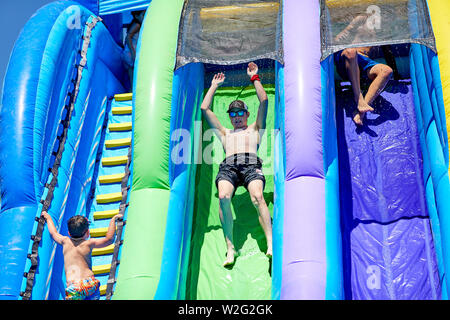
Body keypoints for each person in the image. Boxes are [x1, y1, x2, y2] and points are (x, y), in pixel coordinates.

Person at [200, 62, 272, 267]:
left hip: (250, 164)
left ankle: (270, 243)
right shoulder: (225, 133)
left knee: (257, 196)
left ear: (247, 115)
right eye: (233, 114)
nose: (237, 117)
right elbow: (205, 108)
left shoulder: (255, 128)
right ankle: (230, 247)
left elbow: (264, 100)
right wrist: (214, 86)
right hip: (229, 167)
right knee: (223, 196)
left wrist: (255, 77)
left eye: (240, 113)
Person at [41, 211, 122, 300]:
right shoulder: (89, 243)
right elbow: (109, 240)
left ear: (69, 233)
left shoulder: (65, 241)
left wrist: (48, 217)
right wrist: (113, 220)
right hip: (89, 283)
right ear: (87, 232)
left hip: (74, 287)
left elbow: (53, 233)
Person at [334, 12, 394, 126]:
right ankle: (359, 98)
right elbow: (342, 35)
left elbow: (388, 50)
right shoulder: (362, 18)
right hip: (347, 58)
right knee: (351, 52)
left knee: (387, 71)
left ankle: (361, 110)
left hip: (365, 62)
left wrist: (396, 72)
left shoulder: (381, 26)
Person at [122, 10, 145, 88]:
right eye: (143, 15)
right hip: (130, 53)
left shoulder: (138, 24)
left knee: (132, 77)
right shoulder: (137, 24)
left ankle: (132, 90)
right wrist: (133, 52)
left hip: (129, 53)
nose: (145, 17)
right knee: (134, 76)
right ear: (136, 16)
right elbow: (128, 37)